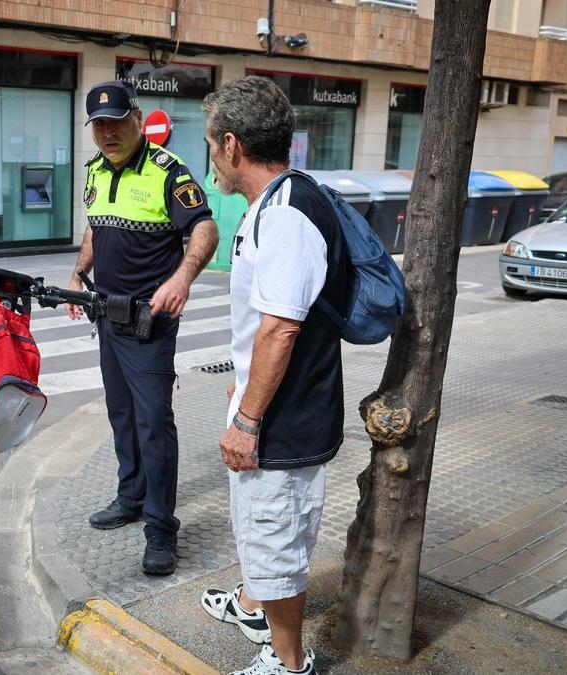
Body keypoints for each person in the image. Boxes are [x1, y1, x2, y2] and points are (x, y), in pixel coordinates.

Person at [197, 76, 347, 675]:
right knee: (265, 533)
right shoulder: (282, 201)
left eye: (211, 145)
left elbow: (280, 329)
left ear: (232, 146)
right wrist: (244, 383)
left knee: (277, 541)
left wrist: (248, 420)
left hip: (282, 422)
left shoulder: (285, 215)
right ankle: (256, 608)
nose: (211, 157)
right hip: (274, 406)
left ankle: (288, 663)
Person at [67, 80, 219, 576]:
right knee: (121, 415)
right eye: (99, 126)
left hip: (148, 322)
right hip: (107, 315)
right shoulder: (95, 170)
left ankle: (160, 526)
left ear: (136, 119)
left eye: (116, 123)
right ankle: (130, 497)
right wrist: (78, 273)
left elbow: (204, 228)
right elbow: (97, 225)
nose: (108, 134)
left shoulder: (167, 171)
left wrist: (181, 278)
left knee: (154, 423)